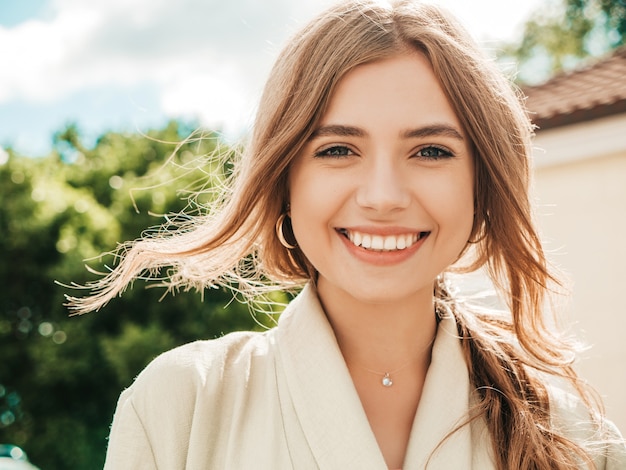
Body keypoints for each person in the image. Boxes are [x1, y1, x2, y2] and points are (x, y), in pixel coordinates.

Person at [68, 1, 626, 468]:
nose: (383, 195)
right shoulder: (180, 405)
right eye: (338, 150)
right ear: (284, 179)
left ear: (482, 183)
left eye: (430, 151)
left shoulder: (574, 438)